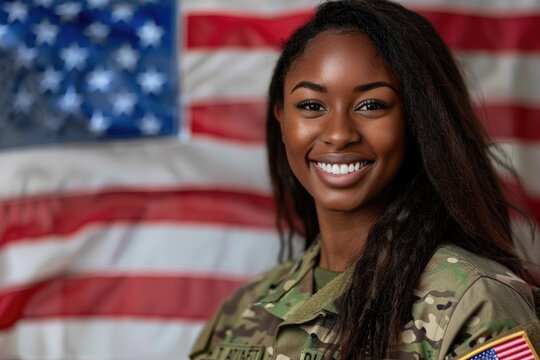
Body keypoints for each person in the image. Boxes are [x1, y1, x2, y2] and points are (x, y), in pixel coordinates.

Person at [189, 0, 540, 359]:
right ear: (281, 119)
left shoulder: (475, 303)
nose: (339, 134)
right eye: (312, 105)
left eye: (372, 105)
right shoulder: (242, 311)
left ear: (416, 122)